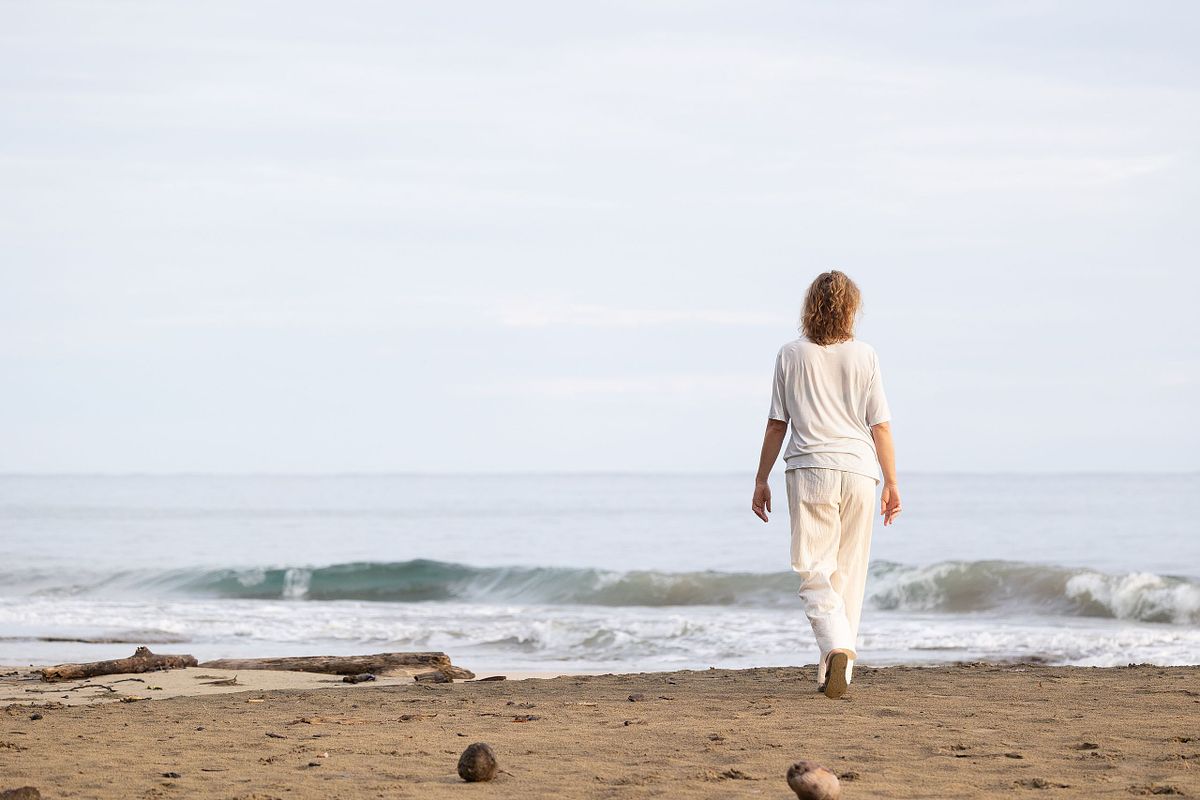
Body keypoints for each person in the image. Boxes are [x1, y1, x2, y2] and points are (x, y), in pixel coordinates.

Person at [751, 270, 901, 699]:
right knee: (849, 572)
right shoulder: (865, 355)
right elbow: (881, 426)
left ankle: (837, 648)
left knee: (813, 569)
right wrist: (892, 482)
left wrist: (761, 478)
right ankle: (836, 671)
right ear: (851, 308)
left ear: (809, 308)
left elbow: (777, 425)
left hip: (811, 468)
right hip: (859, 471)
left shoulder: (790, 354)